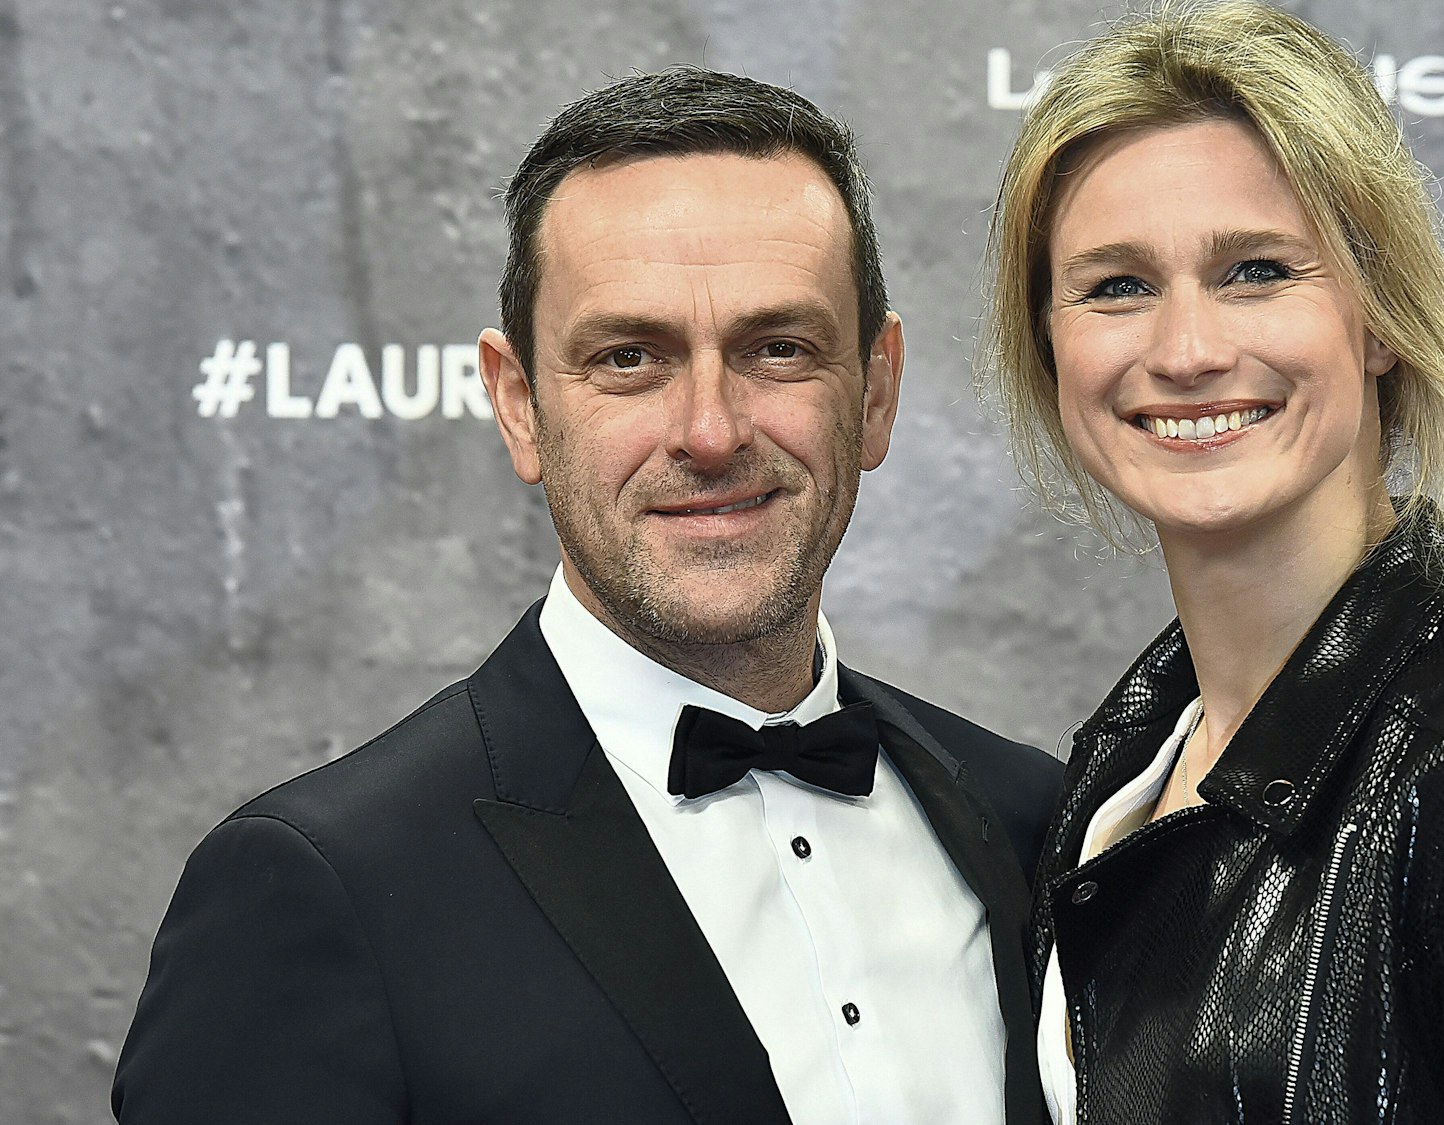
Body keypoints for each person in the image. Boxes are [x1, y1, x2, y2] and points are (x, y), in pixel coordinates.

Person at [114, 68, 1060, 1125]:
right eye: (629, 358)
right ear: (519, 405)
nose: (710, 430)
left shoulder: (1038, 825)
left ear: (875, 392)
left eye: (776, 349)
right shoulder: (322, 886)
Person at [981, 4, 1444, 1123]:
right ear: (1050, 350)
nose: (1186, 349)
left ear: (1379, 318)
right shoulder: (1121, 769)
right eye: (1116, 286)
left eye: (1255, 271)